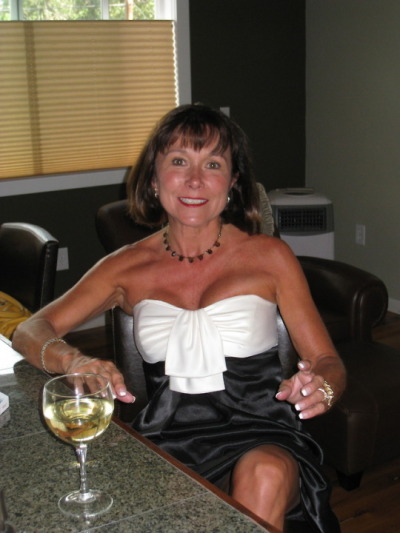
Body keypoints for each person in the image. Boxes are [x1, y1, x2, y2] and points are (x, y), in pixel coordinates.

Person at [13, 103, 346, 532]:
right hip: (166, 441)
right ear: (154, 179)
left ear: (233, 182)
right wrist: (75, 361)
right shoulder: (125, 267)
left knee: (264, 473)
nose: (195, 180)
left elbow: (327, 361)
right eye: (178, 161)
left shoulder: (270, 257)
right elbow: (29, 329)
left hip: (263, 434)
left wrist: (323, 388)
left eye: (213, 164)